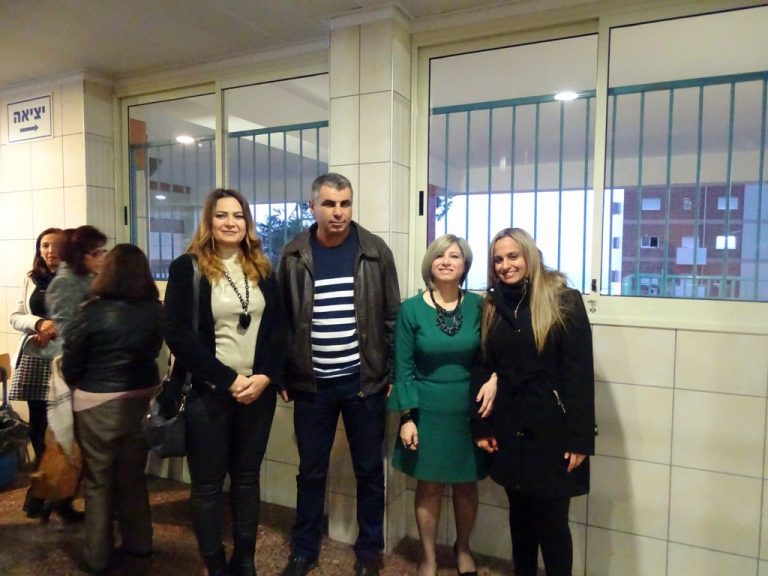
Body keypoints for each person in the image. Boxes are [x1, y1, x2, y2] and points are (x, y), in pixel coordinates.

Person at [278, 173, 400, 576]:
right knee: (311, 471)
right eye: (329, 204)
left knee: (369, 471)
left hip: (363, 383)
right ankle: (304, 549)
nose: (338, 212)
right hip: (311, 385)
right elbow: (282, 320)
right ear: (312, 206)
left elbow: (391, 318)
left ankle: (369, 552)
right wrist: (282, 373)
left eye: (345, 203)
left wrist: (391, 372)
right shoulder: (293, 254)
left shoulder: (374, 251)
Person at [164, 188, 286, 576]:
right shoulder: (187, 268)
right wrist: (229, 380)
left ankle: (245, 561)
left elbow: (279, 330)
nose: (231, 222)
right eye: (221, 215)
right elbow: (178, 336)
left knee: (247, 480)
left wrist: (265, 376)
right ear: (209, 221)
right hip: (207, 393)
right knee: (207, 486)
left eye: (238, 215)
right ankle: (215, 564)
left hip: (258, 393)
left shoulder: (263, 269)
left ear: (247, 223)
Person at [471, 228, 596, 576]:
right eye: (498, 259)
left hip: (553, 432)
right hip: (510, 430)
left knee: (553, 524)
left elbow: (579, 374)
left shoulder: (563, 300)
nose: (505, 265)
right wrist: (482, 425)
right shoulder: (492, 305)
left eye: (513, 256)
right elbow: (483, 365)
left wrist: (580, 439)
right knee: (521, 521)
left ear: (529, 256)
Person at [389, 234, 497, 576]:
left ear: (465, 266)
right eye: (440, 255)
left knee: (466, 484)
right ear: (430, 264)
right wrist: (407, 417)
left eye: (455, 256)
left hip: (470, 409)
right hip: (426, 410)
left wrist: (495, 378)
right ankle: (428, 557)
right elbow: (403, 367)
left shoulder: (481, 307)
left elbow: (495, 354)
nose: (446, 261)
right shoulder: (411, 309)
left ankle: (463, 548)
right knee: (429, 485)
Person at [61, 244, 163, 576]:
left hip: (96, 403)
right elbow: (153, 351)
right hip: (142, 398)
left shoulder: (90, 311)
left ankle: (97, 556)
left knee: (98, 480)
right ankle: (140, 543)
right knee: (132, 476)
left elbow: (72, 362)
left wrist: (78, 382)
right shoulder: (155, 311)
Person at [44, 224, 108, 523]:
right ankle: (55, 498)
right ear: (80, 255)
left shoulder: (88, 277)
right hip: (76, 371)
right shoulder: (66, 283)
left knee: (79, 441)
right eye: (96, 253)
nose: (102, 257)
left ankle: (54, 498)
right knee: (71, 440)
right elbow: (68, 332)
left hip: (90, 367)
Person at [9, 227, 63, 519]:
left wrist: (55, 329)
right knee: (39, 427)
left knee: (62, 428)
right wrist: (39, 323)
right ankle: (40, 490)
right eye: (44, 245)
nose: (50, 251)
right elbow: (15, 317)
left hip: (64, 362)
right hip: (35, 359)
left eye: (56, 245)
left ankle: (52, 491)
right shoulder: (31, 278)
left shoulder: (76, 278)